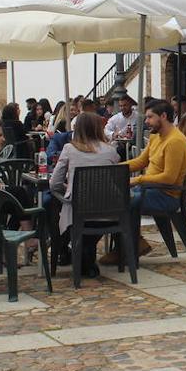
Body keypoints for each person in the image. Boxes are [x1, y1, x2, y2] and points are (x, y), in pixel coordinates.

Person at [48, 112, 120, 276]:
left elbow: (54, 183)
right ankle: (87, 260)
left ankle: (75, 255)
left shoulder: (69, 149)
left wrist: (68, 189)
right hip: (109, 212)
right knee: (92, 223)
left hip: (79, 213)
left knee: (56, 207)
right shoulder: (111, 151)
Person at [121, 100, 186, 260]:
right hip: (150, 191)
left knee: (124, 201)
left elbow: (169, 178)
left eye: (150, 117)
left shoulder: (175, 141)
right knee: (117, 197)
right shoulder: (156, 137)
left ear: (164, 116)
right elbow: (141, 161)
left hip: (167, 196)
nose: (146, 122)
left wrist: (138, 180)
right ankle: (128, 247)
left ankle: (128, 250)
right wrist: (115, 168)